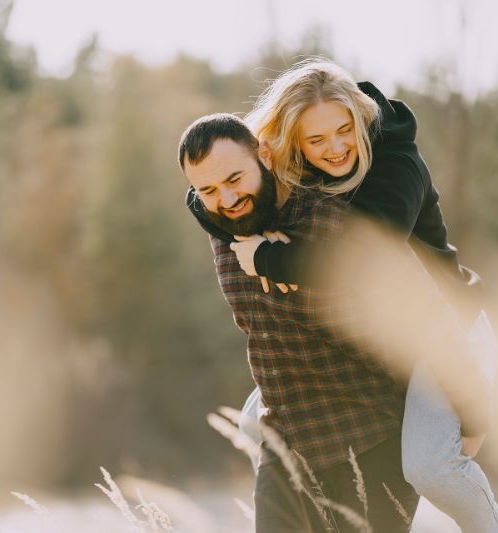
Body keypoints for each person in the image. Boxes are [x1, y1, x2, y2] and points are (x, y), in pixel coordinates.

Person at [184, 60, 498, 532]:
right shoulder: (297, 171)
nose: (335, 148)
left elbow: (361, 259)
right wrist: (225, 213)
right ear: (290, 144)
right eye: (316, 140)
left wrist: (267, 259)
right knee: (251, 422)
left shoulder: (394, 167)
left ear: (359, 120)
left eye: (343, 131)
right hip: (388, 326)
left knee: (431, 466)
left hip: (449, 327)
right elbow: (221, 193)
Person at [179, 113, 420, 531]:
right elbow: (213, 203)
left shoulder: (323, 215)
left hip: (371, 434)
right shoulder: (223, 225)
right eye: (209, 190)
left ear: (265, 157)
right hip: (287, 440)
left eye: (235, 179)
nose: (227, 198)